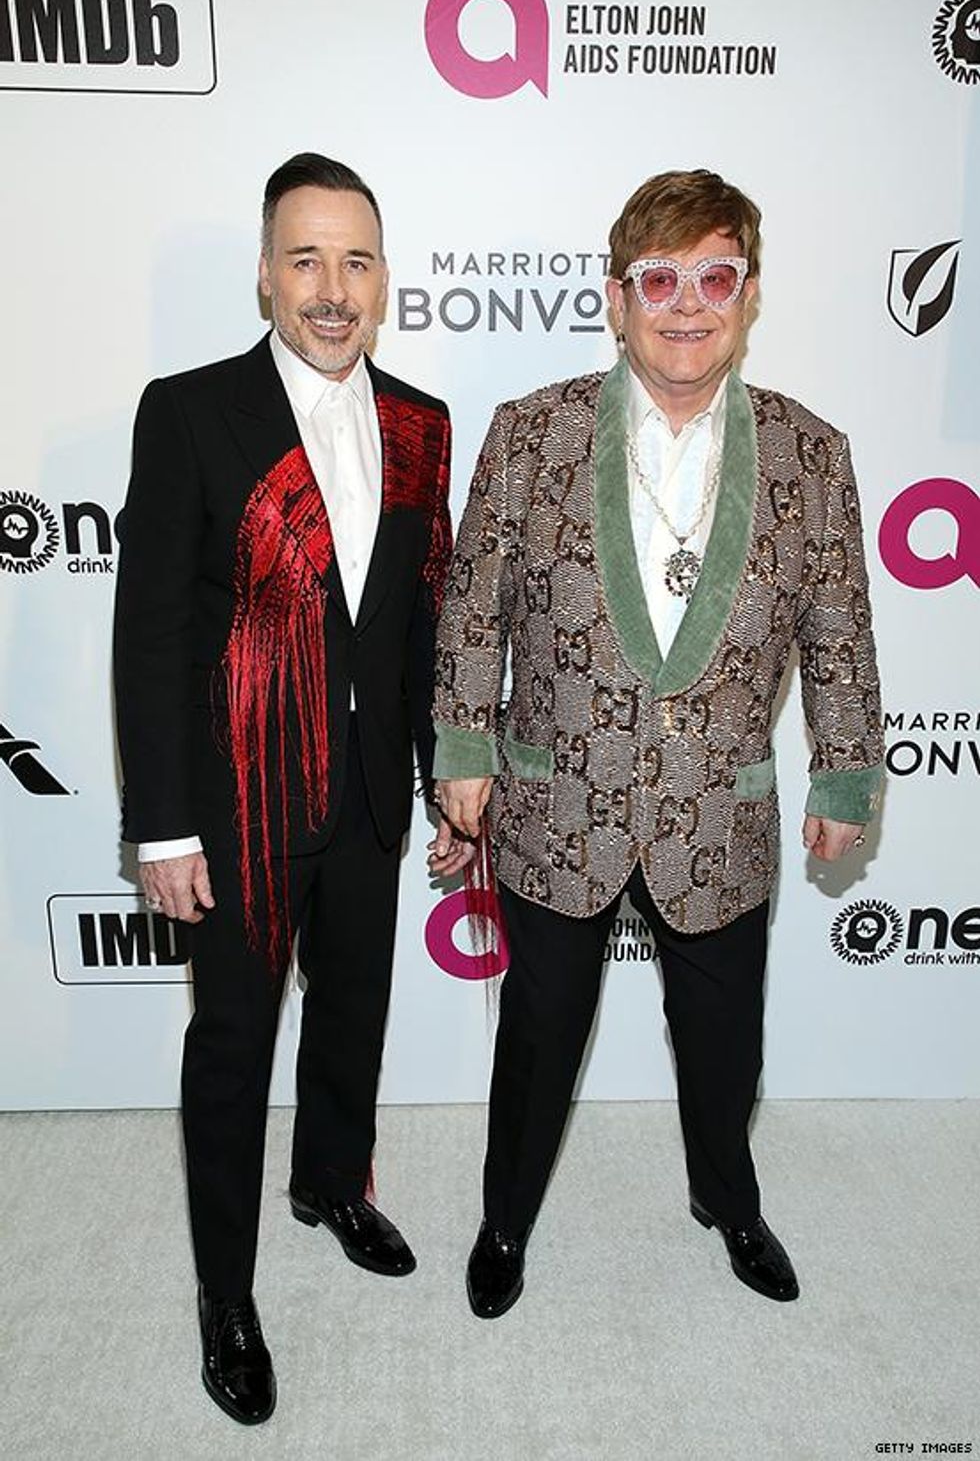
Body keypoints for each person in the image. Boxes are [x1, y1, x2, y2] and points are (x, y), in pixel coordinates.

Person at [429, 169, 883, 1319]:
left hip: (719, 813)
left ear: (748, 295)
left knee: (724, 1047)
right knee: (535, 1043)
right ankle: (504, 1220)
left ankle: (728, 1201)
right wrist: (464, 751)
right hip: (554, 806)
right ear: (616, 297)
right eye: (660, 279)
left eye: (715, 277)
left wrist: (843, 769)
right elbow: (473, 608)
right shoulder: (529, 434)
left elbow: (836, 626)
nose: (688, 304)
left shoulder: (808, 453)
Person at [114, 153, 455, 1423]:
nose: (331, 287)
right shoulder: (190, 411)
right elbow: (149, 631)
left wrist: (439, 776)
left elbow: (418, 623)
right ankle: (226, 1292)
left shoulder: (421, 422)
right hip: (238, 802)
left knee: (353, 1014)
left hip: (368, 796)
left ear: (383, 280)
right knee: (233, 1048)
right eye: (305, 258)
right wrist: (161, 820)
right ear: (263, 274)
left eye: (355, 261)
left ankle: (331, 1183)